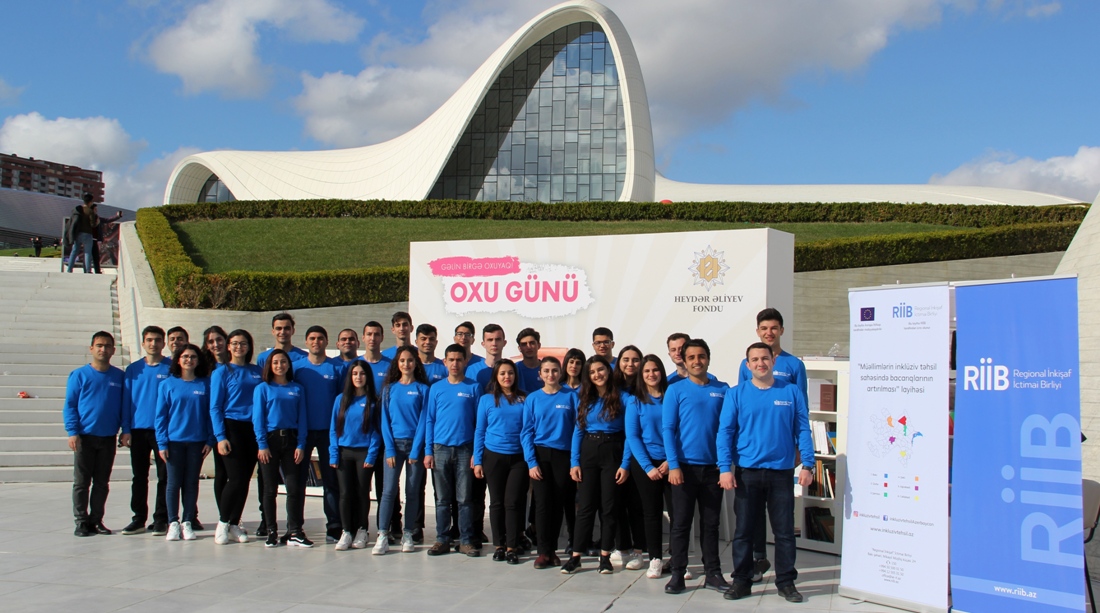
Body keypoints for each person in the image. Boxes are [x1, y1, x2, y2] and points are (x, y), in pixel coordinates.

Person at [719, 342, 814, 603]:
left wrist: (808, 464)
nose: (760, 363)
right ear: (747, 365)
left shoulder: (791, 391)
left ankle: (786, 582)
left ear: (773, 361)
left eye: (765, 358)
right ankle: (742, 581)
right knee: (743, 531)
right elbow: (725, 432)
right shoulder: (736, 394)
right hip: (747, 473)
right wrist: (725, 468)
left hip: (781, 473)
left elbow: (802, 429)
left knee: (784, 532)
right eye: (755, 359)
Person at [735, 308, 808, 583]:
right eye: (764, 328)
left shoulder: (794, 365)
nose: (769, 332)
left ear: (781, 331)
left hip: (781, 455)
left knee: (782, 524)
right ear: (758, 331)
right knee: (749, 521)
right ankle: (757, 559)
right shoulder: (745, 366)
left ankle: (786, 579)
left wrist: (800, 449)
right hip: (751, 458)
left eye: (774, 328)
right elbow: (742, 407)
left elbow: (801, 412)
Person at [662, 338, 730, 595]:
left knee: (711, 525)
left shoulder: (723, 389)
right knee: (681, 524)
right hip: (684, 469)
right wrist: (674, 465)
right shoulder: (675, 390)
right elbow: (668, 430)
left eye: (701, 356)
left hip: (713, 469)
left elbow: (728, 429)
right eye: (691, 357)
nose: (696, 361)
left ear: (708, 359)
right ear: (685, 360)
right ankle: (678, 574)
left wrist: (725, 465)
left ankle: (713, 573)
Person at [561, 356, 631, 575]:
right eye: (592, 372)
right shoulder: (585, 398)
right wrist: (574, 462)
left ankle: (605, 556)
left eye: (600, 370)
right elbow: (578, 431)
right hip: (589, 451)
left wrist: (625, 463)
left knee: (609, 507)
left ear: (608, 371)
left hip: (613, 450)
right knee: (585, 506)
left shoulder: (624, 398)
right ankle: (576, 556)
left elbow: (630, 434)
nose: (597, 375)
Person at [65, 331, 126, 537]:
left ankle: (96, 520)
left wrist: (125, 429)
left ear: (113, 350)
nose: (103, 349)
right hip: (85, 437)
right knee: (82, 482)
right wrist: (73, 432)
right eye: (99, 345)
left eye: (107, 346)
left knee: (102, 483)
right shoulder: (79, 375)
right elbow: (70, 405)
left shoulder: (119, 377)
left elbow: (125, 406)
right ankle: (81, 521)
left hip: (108, 438)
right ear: (91, 348)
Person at [423, 345, 482, 557]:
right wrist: (428, 451)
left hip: (465, 449)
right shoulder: (436, 388)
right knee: (442, 500)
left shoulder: (474, 387)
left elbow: (479, 423)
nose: (455, 363)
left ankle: (465, 540)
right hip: (440, 449)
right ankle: (442, 539)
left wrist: (477, 453)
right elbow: (429, 420)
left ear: (465, 361)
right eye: (451, 359)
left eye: (459, 359)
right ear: (445, 362)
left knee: (464, 499)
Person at [522, 357, 578, 569]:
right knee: (542, 504)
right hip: (541, 455)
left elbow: (578, 429)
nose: (551, 374)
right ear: (540, 374)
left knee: (559, 504)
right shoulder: (533, 398)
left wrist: (575, 461)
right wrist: (531, 462)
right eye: (546, 371)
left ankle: (553, 550)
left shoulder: (571, 396)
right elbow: (526, 432)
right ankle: (543, 552)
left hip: (564, 456)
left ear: (560, 373)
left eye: (554, 370)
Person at [292, 325, 346, 543]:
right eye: (312, 338)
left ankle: (334, 526)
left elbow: (342, 401)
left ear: (327, 342)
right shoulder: (297, 368)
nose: (316, 342)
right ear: (306, 342)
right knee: (297, 482)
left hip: (328, 433)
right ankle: (295, 527)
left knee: (331, 482)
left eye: (320, 338)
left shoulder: (337, 368)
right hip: (302, 433)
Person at [374, 346, 430, 555]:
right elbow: (384, 421)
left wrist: (416, 450)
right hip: (394, 446)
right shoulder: (389, 389)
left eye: (410, 360)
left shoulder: (423, 389)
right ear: (397, 364)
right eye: (402, 360)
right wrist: (389, 449)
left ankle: (408, 533)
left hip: (415, 446)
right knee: (388, 491)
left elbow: (424, 421)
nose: (406, 364)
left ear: (416, 363)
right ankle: (382, 533)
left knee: (412, 492)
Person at [155, 344, 214, 542]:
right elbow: (161, 416)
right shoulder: (167, 384)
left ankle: (187, 521)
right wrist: (162, 443)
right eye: (185, 356)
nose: (189, 360)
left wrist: (210, 439)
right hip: (174, 442)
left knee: (191, 483)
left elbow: (210, 414)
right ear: (178, 360)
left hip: (197, 442)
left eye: (193, 357)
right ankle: (173, 522)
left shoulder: (205, 384)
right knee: (173, 483)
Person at [210, 329, 263, 545]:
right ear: (228, 346)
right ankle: (223, 523)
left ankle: (234, 523)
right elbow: (215, 407)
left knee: (245, 480)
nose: (239, 347)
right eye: (234, 343)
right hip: (232, 427)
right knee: (235, 478)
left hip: (254, 428)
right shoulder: (221, 372)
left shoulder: (257, 371)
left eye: (243, 343)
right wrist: (220, 437)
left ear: (249, 346)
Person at [252, 349, 310, 547]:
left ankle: (294, 530)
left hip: (291, 441)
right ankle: (271, 530)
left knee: (294, 488)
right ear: (269, 365)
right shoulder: (263, 388)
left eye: (283, 362)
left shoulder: (297, 388)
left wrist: (301, 444)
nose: (279, 366)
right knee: (270, 489)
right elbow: (258, 418)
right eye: (275, 362)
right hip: (270, 441)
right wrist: (262, 444)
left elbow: (302, 418)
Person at [474, 359, 528, 564]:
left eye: (510, 373)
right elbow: (480, 431)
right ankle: (499, 545)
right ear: (496, 377)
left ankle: (512, 546)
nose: (507, 377)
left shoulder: (525, 399)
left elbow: (529, 429)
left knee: (512, 502)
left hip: (518, 458)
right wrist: (478, 460)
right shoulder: (486, 400)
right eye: (502, 373)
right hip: (493, 456)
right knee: (496, 502)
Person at [120, 326, 170, 536]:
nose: (153, 344)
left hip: (163, 431)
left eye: (157, 340)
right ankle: (138, 518)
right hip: (138, 430)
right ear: (143, 343)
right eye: (149, 340)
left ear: (163, 343)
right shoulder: (133, 369)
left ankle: (161, 519)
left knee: (164, 476)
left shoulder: (171, 367)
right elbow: (126, 401)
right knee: (139, 476)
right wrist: (126, 429)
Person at [626, 354, 671, 579]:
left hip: (672, 463)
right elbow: (633, 436)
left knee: (678, 513)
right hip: (646, 465)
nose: (651, 374)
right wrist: (648, 466)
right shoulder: (635, 402)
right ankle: (655, 558)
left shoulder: (672, 397)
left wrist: (671, 461)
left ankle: (678, 559)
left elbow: (681, 431)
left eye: (655, 370)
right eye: (646, 371)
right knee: (651, 513)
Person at [329, 361, 381, 551]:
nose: (358, 377)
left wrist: (371, 455)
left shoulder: (373, 401)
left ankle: (362, 529)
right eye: (355, 374)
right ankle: (346, 531)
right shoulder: (340, 400)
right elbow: (334, 428)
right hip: (344, 452)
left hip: (364, 453)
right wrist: (334, 454)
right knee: (345, 493)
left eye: (362, 373)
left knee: (361, 493)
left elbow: (376, 431)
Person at [362, 321, 400, 538]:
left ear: (382, 337)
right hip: (363, 435)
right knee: (362, 486)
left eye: (376, 334)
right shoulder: (357, 365)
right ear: (364, 337)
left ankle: (391, 527)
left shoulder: (390, 365)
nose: (373, 338)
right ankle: (361, 528)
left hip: (386, 434)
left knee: (386, 485)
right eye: (369, 334)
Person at [610, 345, 647, 570]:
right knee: (616, 500)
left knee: (637, 502)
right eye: (625, 359)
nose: (630, 364)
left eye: (635, 360)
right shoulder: (613, 388)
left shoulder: (647, 387)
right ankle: (621, 546)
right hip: (617, 448)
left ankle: (640, 548)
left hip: (640, 450)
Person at [66, 194, 98, 274]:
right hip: (87, 234)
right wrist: (97, 221)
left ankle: (69, 269)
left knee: (74, 251)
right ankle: (88, 270)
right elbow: (93, 224)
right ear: (90, 202)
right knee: (87, 253)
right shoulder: (90, 211)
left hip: (78, 234)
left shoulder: (77, 209)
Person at [473, 323, 507, 391]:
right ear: (483, 344)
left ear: (504, 343)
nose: (494, 343)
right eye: (490, 340)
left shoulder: (512, 369)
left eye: (498, 339)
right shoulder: (472, 370)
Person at [514, 328, 544, 393]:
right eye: (524, 344)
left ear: (539, 345)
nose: (528, 347)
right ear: (519, 348)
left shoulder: (548, 369)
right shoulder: (514, 369)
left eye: (532, 343)